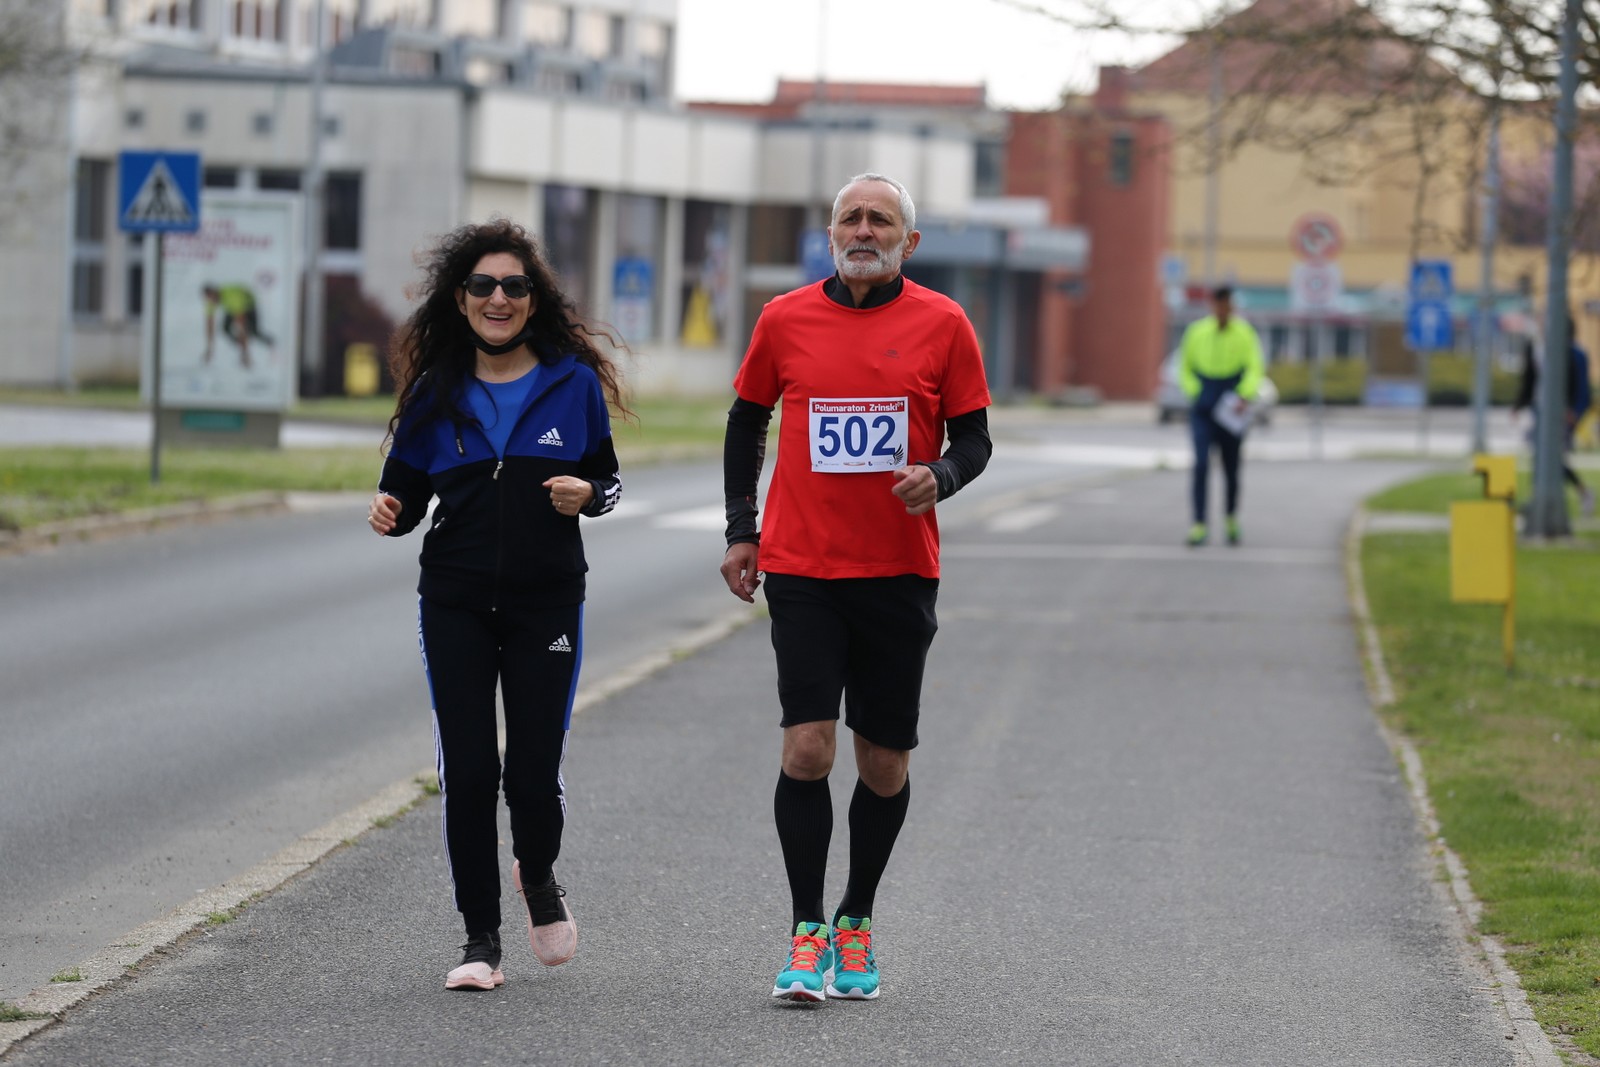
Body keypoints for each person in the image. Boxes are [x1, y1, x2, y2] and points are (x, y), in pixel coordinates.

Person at [720, 173, 993, 1003]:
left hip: (898, 572)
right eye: (850, 217)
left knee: (882, 762)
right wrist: (742, 528)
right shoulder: (784, 318)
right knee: (807, 747)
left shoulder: (944, 323)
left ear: (909, 242)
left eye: (880, 219)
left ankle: (856, 916)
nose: (863, 228)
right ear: (830, 234)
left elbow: (976, 438)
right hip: (803, 568)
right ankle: (806, 930)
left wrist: (940, 474)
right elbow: (745, 419)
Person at [369, 217, 626, 991]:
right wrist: (390, 508)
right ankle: (481, 939)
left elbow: (609, 482)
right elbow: (406, 492)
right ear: (461, 298)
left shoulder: (572, 384)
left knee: (533, 773)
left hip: (547, 602)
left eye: (514, 285)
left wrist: (588, 495)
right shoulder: (435, 394)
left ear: (533, 298)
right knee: (471, 771)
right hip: (452, 599)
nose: (498, 297)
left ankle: (539, 874)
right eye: (483, 285)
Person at [1178, 285, 1265, 546]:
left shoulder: (1244, 332)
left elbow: (1255, 367)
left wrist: (1243, 394)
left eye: (1228, 305)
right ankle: (1199, 523)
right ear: (1211, 305)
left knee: (1231, 467)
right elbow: (1184, 368)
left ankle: (1230, 518)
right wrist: (1196, 392)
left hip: (1232, 405)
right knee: (1201, 464)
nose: (1223, 310)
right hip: (1204, 406)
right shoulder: (1197, 332)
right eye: (1219, 305)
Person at [1513, 329, 1595, 516]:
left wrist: (1573, 410)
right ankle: (1539, 497)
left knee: (1551, 457)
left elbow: (1577, 384)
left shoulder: (1569, 352)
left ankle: (1580, 492)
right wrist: (1518, 406)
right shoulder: (1535, 347)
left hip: (1560, 413)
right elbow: (1529, 381)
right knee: (1540, 456)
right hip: (1539, 411)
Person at [201, 283, 274, 368]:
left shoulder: (232, 298)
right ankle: (241, 346)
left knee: (254, 332)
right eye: (210, 300)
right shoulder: (211, 302)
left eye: (213, 299)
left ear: (216, 293)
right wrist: (209, 349)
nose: (212, 302)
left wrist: (245, 354)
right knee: (225, 329)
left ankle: (271, 344)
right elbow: (210, 327)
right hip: (232, 308)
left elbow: (241, 327)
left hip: (248, 306)